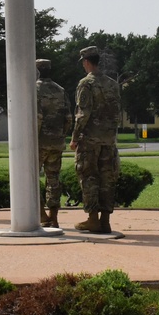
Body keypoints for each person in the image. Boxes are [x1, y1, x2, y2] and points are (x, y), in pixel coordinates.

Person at [69, 46, 121, 233]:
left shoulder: (86, 83)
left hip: (90, 139)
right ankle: (105, 220)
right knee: (108, 178)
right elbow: (116, 112)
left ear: (86, 62)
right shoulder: (113, 84)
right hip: (108, 139)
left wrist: (75, 138)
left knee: (89, 176)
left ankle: (92, 219)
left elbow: (83, 114)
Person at [36, 59, 72, 228]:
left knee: (31, 179)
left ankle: (42, 215)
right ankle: (54, 217)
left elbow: (37, 117)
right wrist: (61, 135)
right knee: (53, 179)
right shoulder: (60, 90)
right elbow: (68, 118)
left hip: (39, 143)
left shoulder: (34, 89)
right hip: (57, 142)